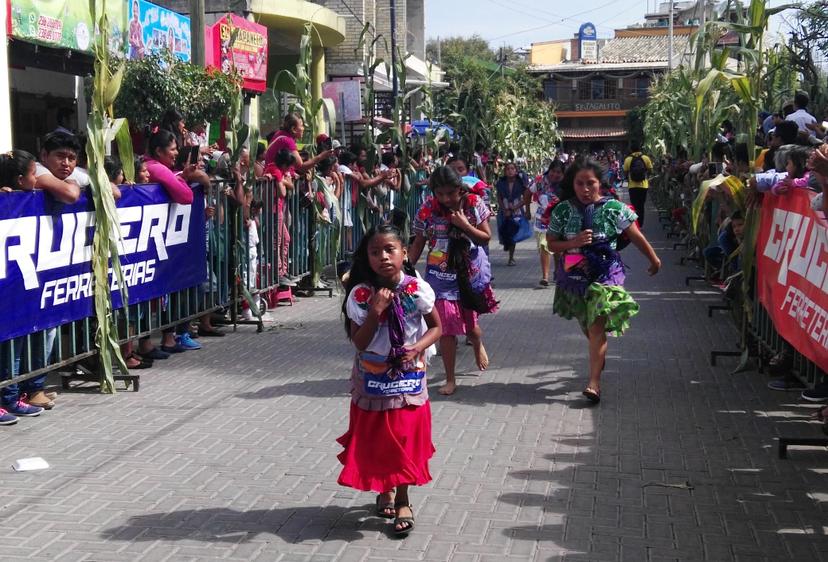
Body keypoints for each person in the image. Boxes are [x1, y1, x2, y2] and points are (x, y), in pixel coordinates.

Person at [338, 224, 441, 536]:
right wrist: (374, 312)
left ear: (404, 253)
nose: (383, 256)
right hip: (373, 379)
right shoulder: (361, 294)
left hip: (409, 378)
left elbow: (437, 327)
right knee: (381, 440)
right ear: (366, 258)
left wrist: (417, 348)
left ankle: (404, 500)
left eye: (389, 250)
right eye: (374, 251)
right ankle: (385, 489)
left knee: (407, 439)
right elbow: (360, 342)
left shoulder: (416, 289)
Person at [546, 158, 661, 404]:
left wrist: (654, 259)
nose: (586, 189)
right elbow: (552, 244)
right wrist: (573, 243)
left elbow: (636, 235)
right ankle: (599, 356)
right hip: (575, 277)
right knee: (589, 328)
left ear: (601, 184)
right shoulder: (562, 210)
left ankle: (594, 383)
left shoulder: (614, 208)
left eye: (591, 183)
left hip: (605, 275)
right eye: (580, 183)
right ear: (572, 184)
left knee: (597, 326)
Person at [408, 166, 497, 396]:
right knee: (445, 327)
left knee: (471, 327)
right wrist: (405, 270)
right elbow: (418, 242)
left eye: (450, 193)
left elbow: (486, 237)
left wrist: (464, 225)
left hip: (468, 273)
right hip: (438, 276)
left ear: (459, 189)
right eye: (440, 194)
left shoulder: (474, 203)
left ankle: (477, 343)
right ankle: (450, 378)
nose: (446, 199)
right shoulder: (427, 208)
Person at [531, 160, 564, 287]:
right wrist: (527, 211)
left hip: (559, 220)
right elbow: (528, 192)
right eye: (553, 171)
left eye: (558, 172)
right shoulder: (540, 181)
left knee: (557, 250)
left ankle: (558, 272)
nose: (555, 175)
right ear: (549, 170)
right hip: (541, 220)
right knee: (544, 246)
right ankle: (545, 276)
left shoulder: (566, 184)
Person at [264, 113, 333, 173]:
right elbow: (301, 167)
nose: (303, 128)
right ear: (293, 129)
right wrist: (321, 156)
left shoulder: (280, 134)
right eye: (302, 125)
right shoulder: (287, 140)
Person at [495, 162, 530, 266]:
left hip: (517, 211)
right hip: (504, 211)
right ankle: (507, 244)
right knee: (505, 232)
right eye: (507, 169)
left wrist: (519, 208)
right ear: (505, 172)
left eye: (512, 169)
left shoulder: (521, 183)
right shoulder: (501, 183)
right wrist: (504, 209)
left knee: (513, 233)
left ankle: (511, 257)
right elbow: (499, 197)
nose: (510, 171)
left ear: (516, 171)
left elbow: (526, 197)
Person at [623, 144, 653, 227]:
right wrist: (646, 176)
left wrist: (628, 178)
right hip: (643, 186)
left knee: (634, 205)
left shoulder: (628, 159)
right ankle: (640, 224)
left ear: (631, 150)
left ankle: (635, 224)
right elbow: (650, 170)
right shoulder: (646, 158)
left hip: (632, 186)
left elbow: (625, 172)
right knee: (641, 205)